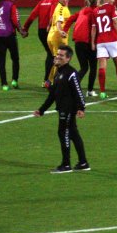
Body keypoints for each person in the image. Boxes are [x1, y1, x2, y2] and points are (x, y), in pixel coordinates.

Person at [33, 45, 90, 174]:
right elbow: (52, 95)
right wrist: (41, 110)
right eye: (57, 54)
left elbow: (78, 91)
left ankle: (66, 165)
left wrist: (81, 108)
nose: (57, 57)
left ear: (68, 58)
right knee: (73, 134)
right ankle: (83, 163)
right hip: (63, 108)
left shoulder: (71, 73)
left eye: (61, 55)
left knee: (63, 133)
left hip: (68, 109)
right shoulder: (58, 72)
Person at [22, 0, 61, 88]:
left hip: (41, 31)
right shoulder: (55, 1)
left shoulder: (42, 2)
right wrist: (50, 25)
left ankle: (48, 80)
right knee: (54, 55)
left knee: (50, 54)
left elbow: (32, 16)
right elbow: (52, 15)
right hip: (50, 30)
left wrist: (25, 29)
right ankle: (49, 80)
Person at [91, 0, 117, 99]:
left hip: (100, 41)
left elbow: (94, 28)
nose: (113, 0)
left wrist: (92, 42)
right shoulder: (112, 8)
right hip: (112, 39)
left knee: (102, 66)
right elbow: (115, 23)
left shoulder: (95, 10)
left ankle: (102, 91)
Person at [64, 0, 98, 96]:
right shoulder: (94, 12)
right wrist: (94, 43)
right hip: (88, 42)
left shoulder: (82, 11)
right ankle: (90, 90)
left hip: (78, 42)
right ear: (96, 3)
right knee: (93, 67)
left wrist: (65, 30)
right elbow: (94, 28)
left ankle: (70, 87)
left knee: (84, 68)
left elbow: (70, 19)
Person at [46, 0, 71, 85]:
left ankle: (51, 80)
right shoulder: (61, 9)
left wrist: (49, 25)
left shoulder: (61, 6)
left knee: (58, 59)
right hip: (58, 37)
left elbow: (52, 18)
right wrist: (61, 31)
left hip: (52, 36)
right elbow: (59, 23)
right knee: (61, 60)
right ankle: (52, 81)